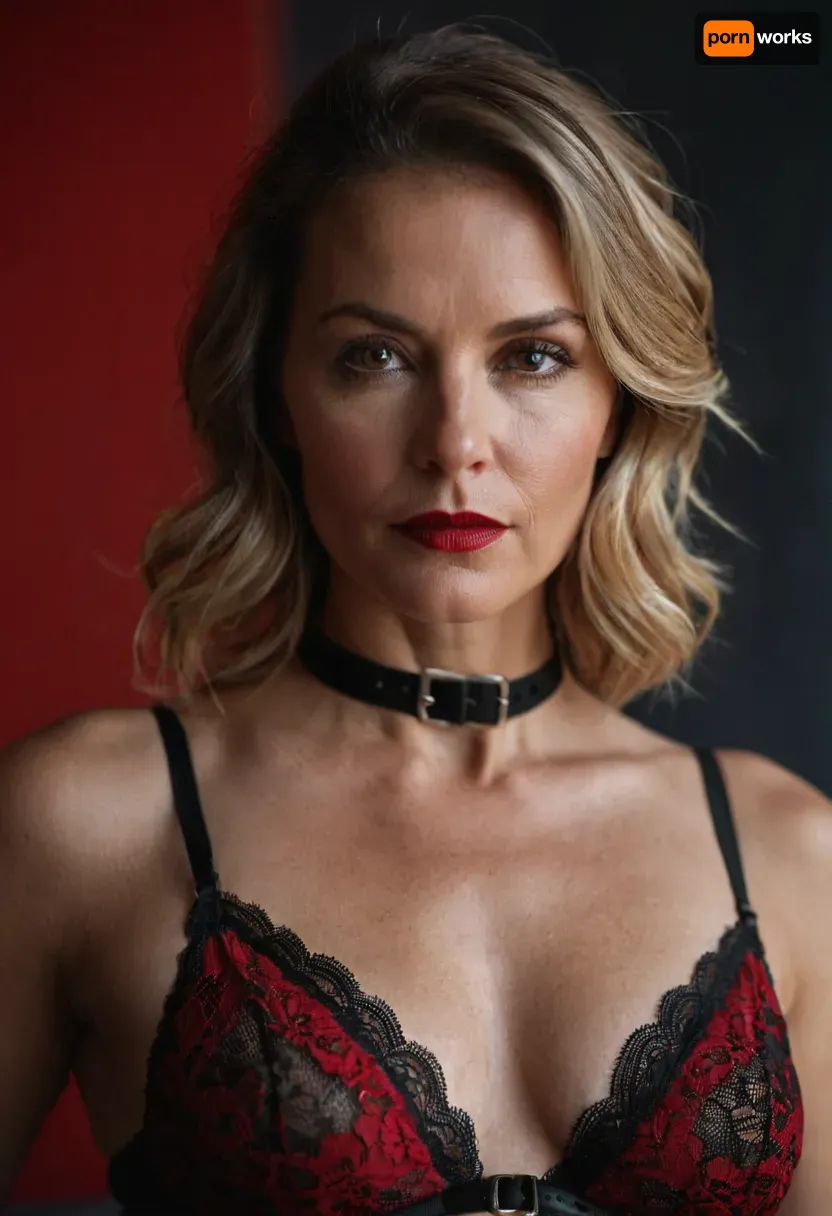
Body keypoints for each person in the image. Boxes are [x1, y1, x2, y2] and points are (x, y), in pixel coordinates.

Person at [1, 22, 829, 1216]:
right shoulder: (84, 827)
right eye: (375, 357)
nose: (453, 442)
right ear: (278, 394)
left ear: (619, 405)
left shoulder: (789, 856)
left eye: (532, 358)